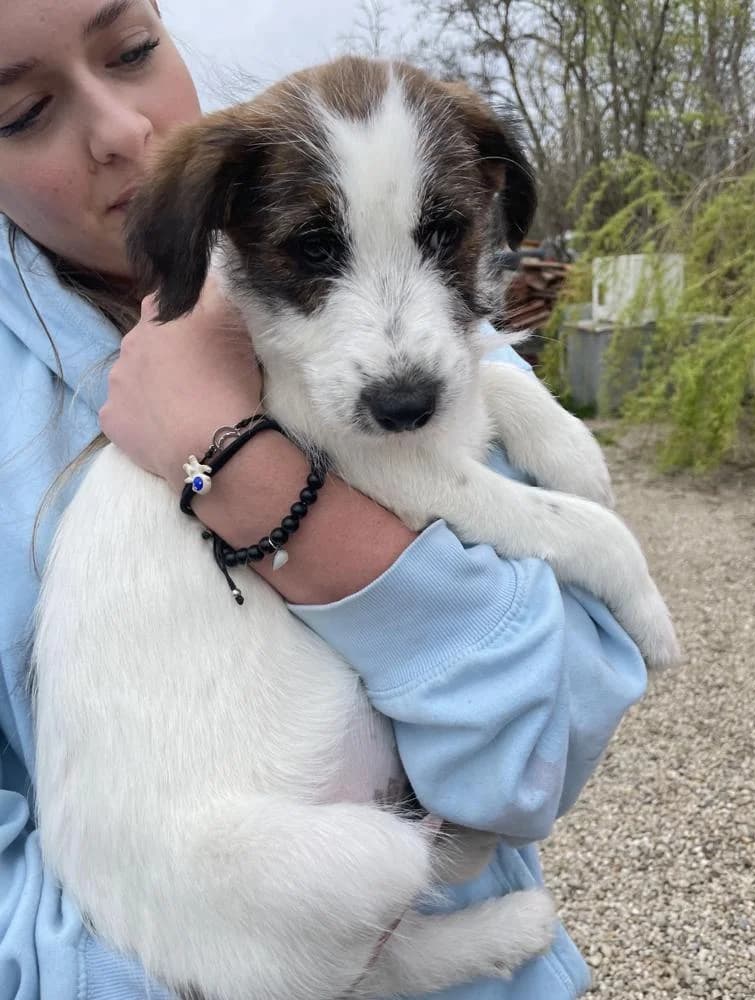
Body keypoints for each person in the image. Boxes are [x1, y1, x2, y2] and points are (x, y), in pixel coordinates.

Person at [0, 1, 648, 997]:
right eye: (21, 112)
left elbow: (537, 754)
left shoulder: (411, 332)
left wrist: (241, 472)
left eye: (132, 50)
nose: (123, 131)